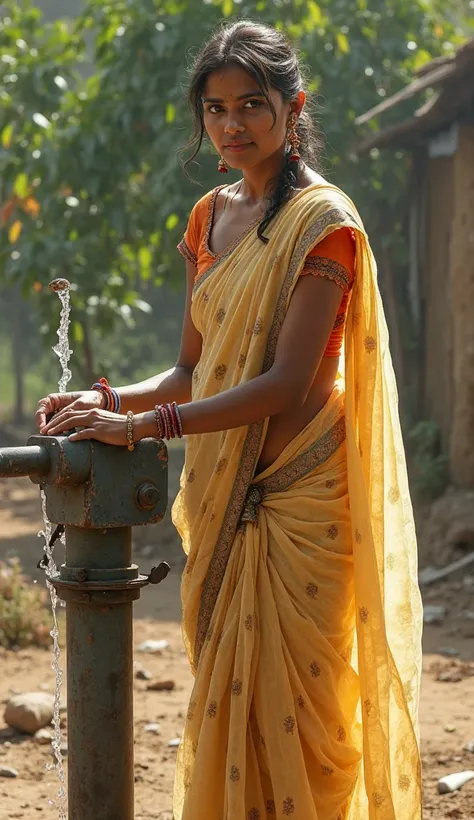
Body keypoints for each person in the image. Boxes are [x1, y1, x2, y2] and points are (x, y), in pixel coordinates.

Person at [36, 20, 423, 820]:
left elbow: (284, 384)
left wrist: (150, 429)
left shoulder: (324, 225)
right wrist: (109, 403)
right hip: (224, 500)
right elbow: (188, 366)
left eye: (252, 103)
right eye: (215, 108)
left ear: (294, 106)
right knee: (231, 702)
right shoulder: (209, 217)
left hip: (305, 497)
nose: (233, 124)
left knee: (307, 722)